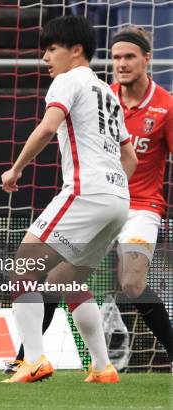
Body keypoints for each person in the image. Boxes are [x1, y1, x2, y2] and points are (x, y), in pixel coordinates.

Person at [4, 25, 173, 375]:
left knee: (22, 266)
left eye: (51, 49)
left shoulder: (70, 80)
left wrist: (16, 169)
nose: (45, 58)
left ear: (76, 50)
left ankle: (32, 361)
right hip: (118, 200)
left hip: (89, 193)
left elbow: (48, 127)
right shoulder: (107, 93)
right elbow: (131, 159)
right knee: (67, 280)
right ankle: (102, 366)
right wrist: (113, 189)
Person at [110, 26, 173, 367]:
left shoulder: (166, 107)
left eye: (129, 56)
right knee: (56, 276)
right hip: (102, 205)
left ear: (147, 59)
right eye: (117, 57)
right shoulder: (103, 98)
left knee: (133, 282)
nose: (122, 63)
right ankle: (25, 359)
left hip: (143, 208)